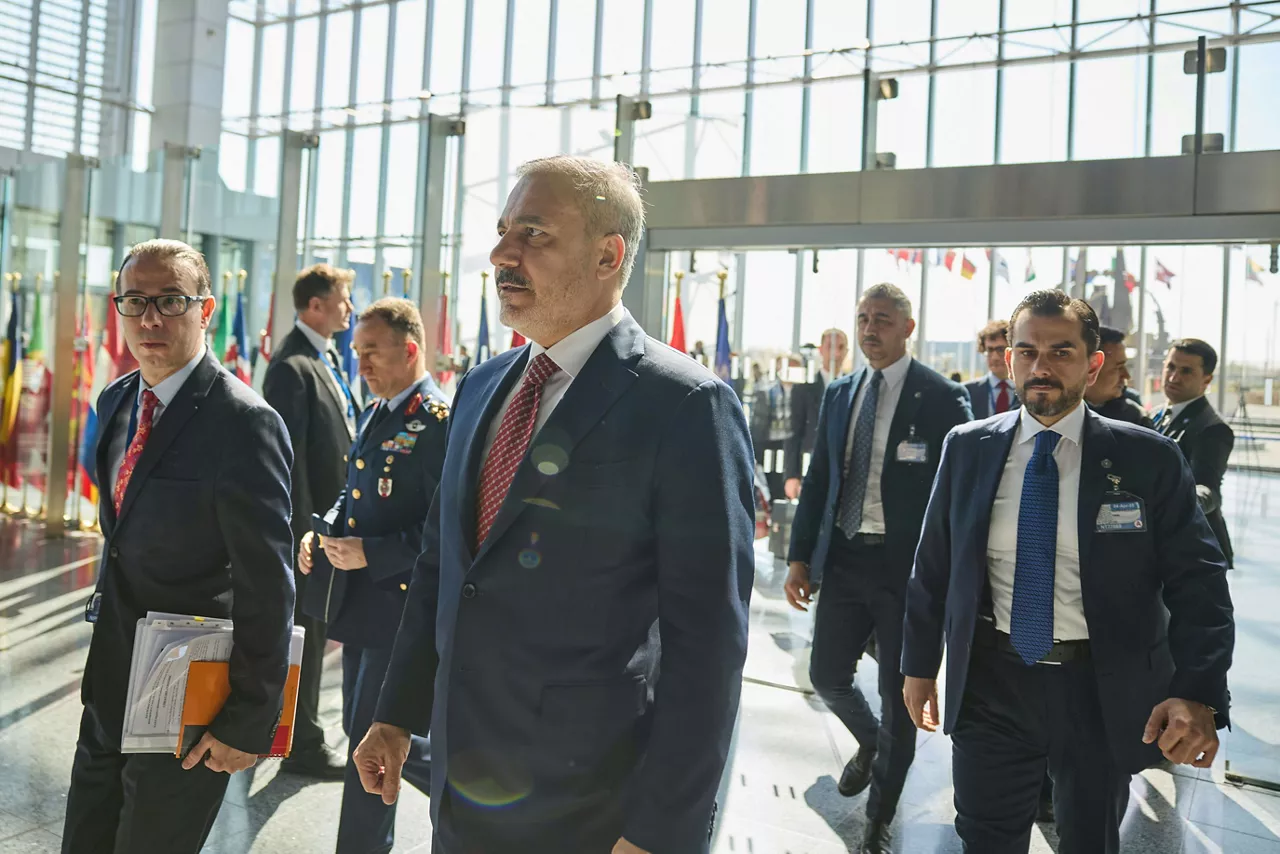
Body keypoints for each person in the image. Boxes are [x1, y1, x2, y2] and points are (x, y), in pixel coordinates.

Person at [352, 155, 755, 854]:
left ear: (608, 255)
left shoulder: (686, 405)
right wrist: (397, 711)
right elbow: (446, 566)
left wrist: (660, 830)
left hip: (588, 808)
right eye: (504, 229)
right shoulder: (480, 387)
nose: (502, 253)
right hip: (460, 788)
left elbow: (708, 647)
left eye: (533, 234)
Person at [902, 290, 1234, 854]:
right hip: (991, 681)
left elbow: (1198, 579)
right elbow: (933, 564)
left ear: (1093, 363)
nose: (1041, 367)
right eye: (1027, 352)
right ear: (1009, 359)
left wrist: (1199, 691)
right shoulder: (969, 448)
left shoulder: (1145, 458)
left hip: (1099, 689)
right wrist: (917, 666)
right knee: (983, 837)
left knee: (1088, 839)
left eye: (1060, 352)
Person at [62, 239, 295, 853]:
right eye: (135, 302)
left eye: (171, 300)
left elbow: (267, 582)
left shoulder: (245, 422)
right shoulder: (115, 402)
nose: (151, 319)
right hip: (110, 682)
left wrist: (249, 719)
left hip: (189, 697)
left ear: (207, 309)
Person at [784, 284, 972, 854]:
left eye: (883, 320)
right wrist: (799, 557)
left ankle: (878, 817)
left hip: (906, 573)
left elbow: (960, 497)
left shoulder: (940, 398)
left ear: (907, 328)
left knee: (901, 699)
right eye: (863, 318)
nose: (870, 329)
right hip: (844, 560)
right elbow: (819, 480)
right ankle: (872, 744)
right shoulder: (842, 393)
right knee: (825, 675)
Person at [298, 299, 447, 854]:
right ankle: (471, 786)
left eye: (372, 353)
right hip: (363, 606)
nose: (361, 364)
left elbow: (442, 527)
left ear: (409, 351)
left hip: (400, 608)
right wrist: (325, 530)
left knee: (369, 737)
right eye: (357, 352)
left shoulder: (435, 422)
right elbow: (352, 492)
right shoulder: (379, 410)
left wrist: (373, 554)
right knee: (362, 731)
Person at [262, 262, 359, 779]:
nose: (349, 308)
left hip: (325, 528)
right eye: (343, 299)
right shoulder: (292, 366)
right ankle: (300, 745)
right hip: (307, 534)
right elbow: (286, 457)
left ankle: (298, 736)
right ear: (315, 305)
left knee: (315, 634)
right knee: (307, 635)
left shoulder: (326, 360)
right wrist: (303, 530)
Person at [1156, 339, 1234, 568]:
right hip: (1168, 547)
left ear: (1206, 380)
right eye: (1170, 367)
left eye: (1186, 371)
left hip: (1197, 552)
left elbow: (1208, 490)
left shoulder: (1212, 429)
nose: (1173, 377)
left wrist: (1166, 506)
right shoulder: (1160, 415)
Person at [784, 328, 850, 498]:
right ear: (821, 350)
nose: (836, 353)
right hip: (811, 465)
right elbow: (794, 432)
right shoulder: (804, 388)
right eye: (831, 347)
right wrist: (792, 475)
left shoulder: (855, 388)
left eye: (841, 347)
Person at [1085, 326, 1153, 428]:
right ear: (1092, 368)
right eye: (1118, 367)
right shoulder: (1057, 414)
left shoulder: (1136, 419)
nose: (1127, 376)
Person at [965, 319, 1019, 419]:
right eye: (989, 350)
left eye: (1001, 350)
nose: (994, 357)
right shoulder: (968, 391)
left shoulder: (1028, 390)